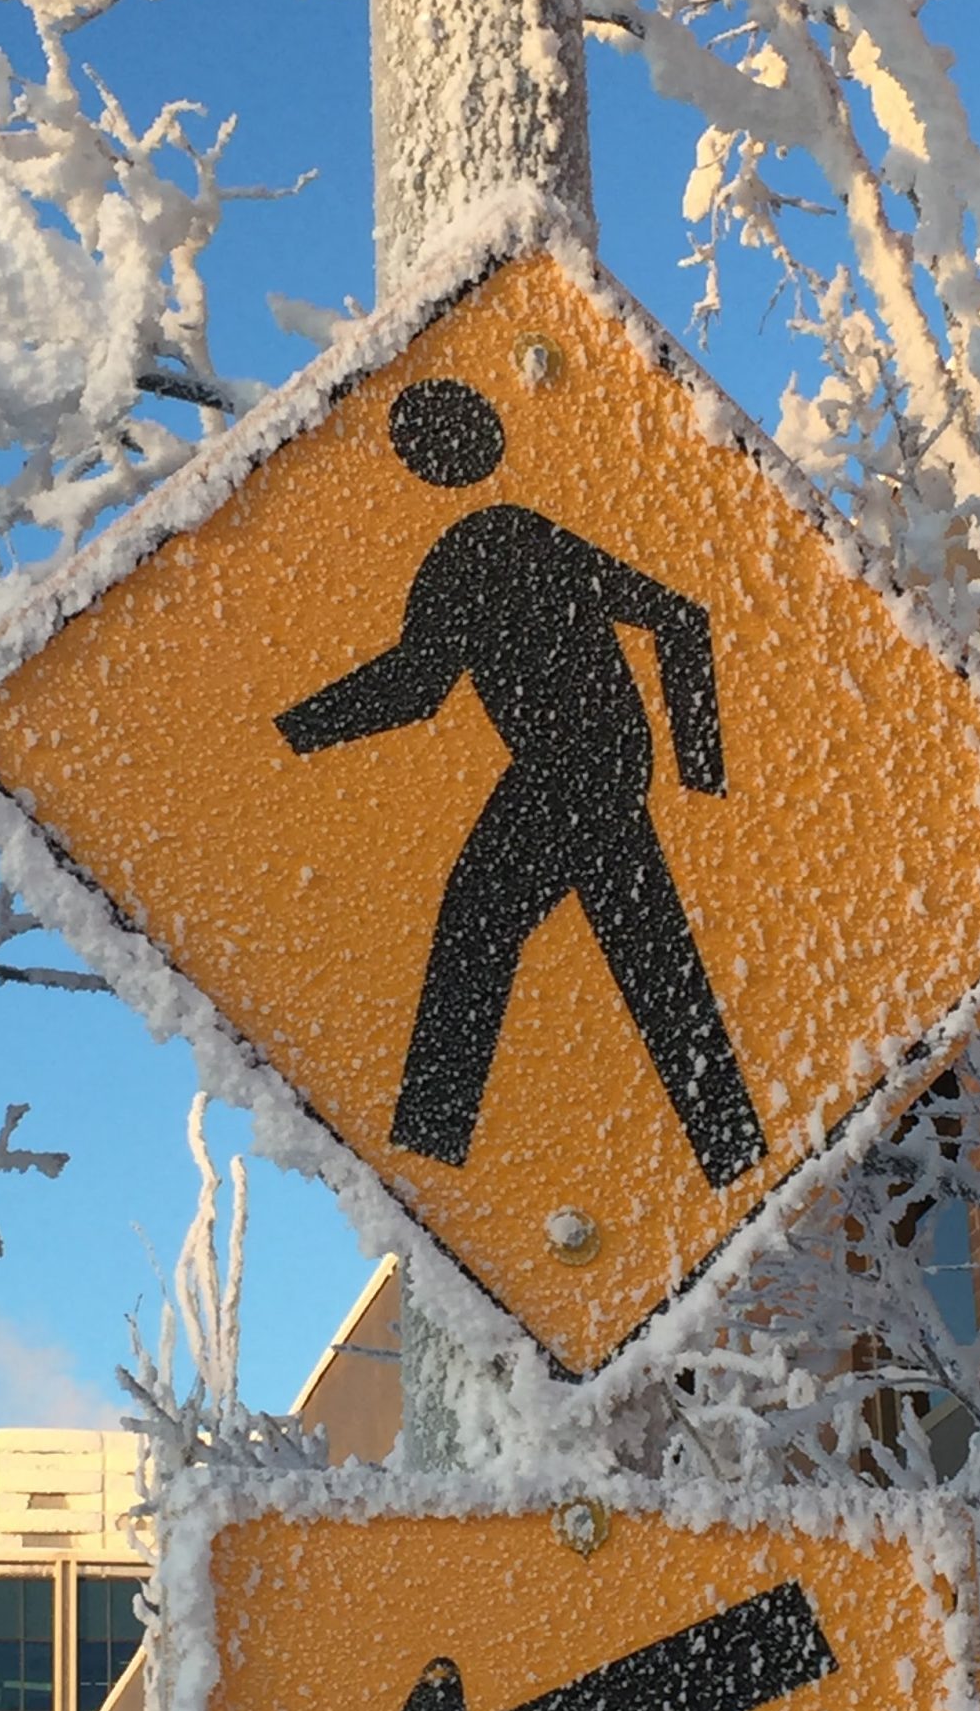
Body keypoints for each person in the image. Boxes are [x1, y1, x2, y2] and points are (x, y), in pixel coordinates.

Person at [277, 378, 764, 1190]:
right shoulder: (494, 544)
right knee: (645, 957)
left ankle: (433, 1150)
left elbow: (417, 687)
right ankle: (732, 1149)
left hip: (573, 772)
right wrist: (688, 769)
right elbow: (421, 685)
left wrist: (705, 773)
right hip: (598, 769)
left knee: (482, 924)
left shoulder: (490, 544)